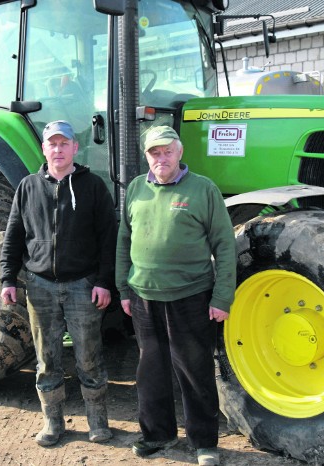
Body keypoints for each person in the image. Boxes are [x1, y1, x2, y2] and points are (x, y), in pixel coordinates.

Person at [115, 125, 236, 466]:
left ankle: (204, 443)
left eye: (167, 151)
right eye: (155, 152)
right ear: (146, 156)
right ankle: (158, 434)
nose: (161, 157)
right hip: (143, 297)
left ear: (180, 152)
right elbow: (124, 241)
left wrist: (222, 297)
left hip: (191, 296)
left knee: (195, 371)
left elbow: (225, 245)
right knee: (150, 371)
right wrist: (123, 288)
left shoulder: (203, 190)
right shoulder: (137, 189)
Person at [0, 120, 117, 447]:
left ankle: (98, 421)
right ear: (44, 149)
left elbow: (109, 239)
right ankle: (52, 422)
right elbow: (13, 237)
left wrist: (104, 281)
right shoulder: (27, 187)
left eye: (64, 143)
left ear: (75, 148)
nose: (58, 148)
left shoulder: (92, 186)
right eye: (52, 143)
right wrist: (8, 278)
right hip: (40, 288)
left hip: (83, 285)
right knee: (47, 359)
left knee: (89, 357)